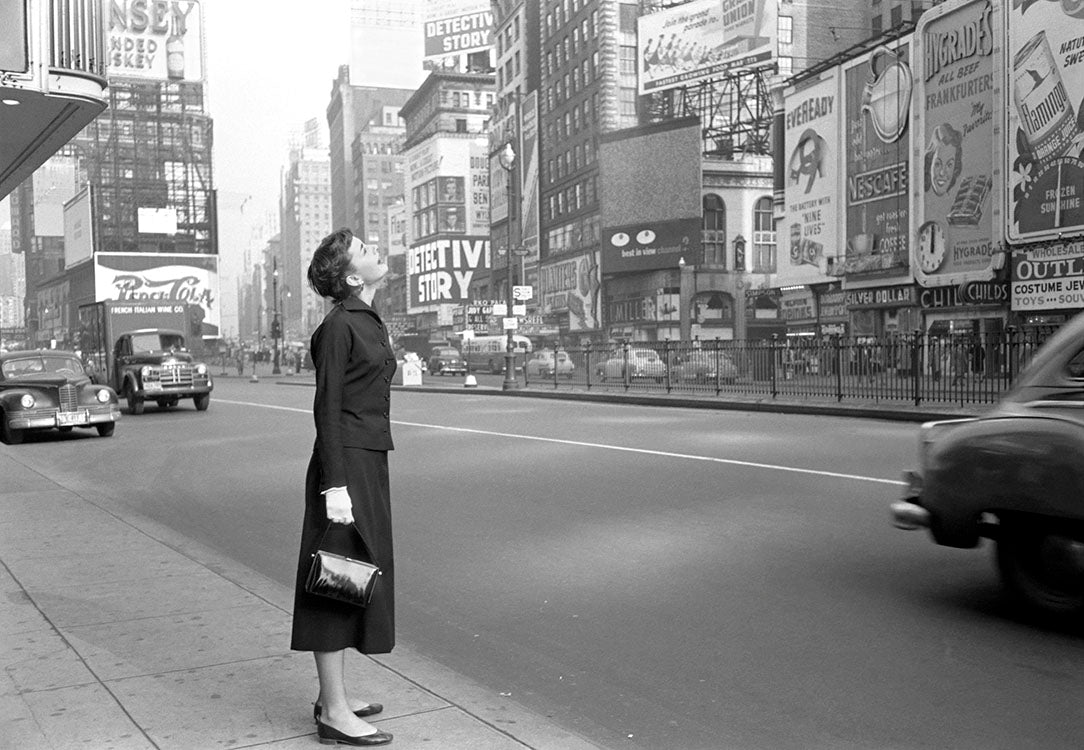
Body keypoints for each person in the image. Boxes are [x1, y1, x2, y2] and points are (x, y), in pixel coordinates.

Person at [291, 228, 396, 747]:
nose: (376, 250)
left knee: (356, 573)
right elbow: (326, 406)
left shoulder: (364, 318)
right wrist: (335, 486)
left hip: (366, 460)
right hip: (345, 466)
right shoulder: (339, 326)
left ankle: (333, 694)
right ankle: (333, 711)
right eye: (365, 251)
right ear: (353, 276)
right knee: (336, 578)